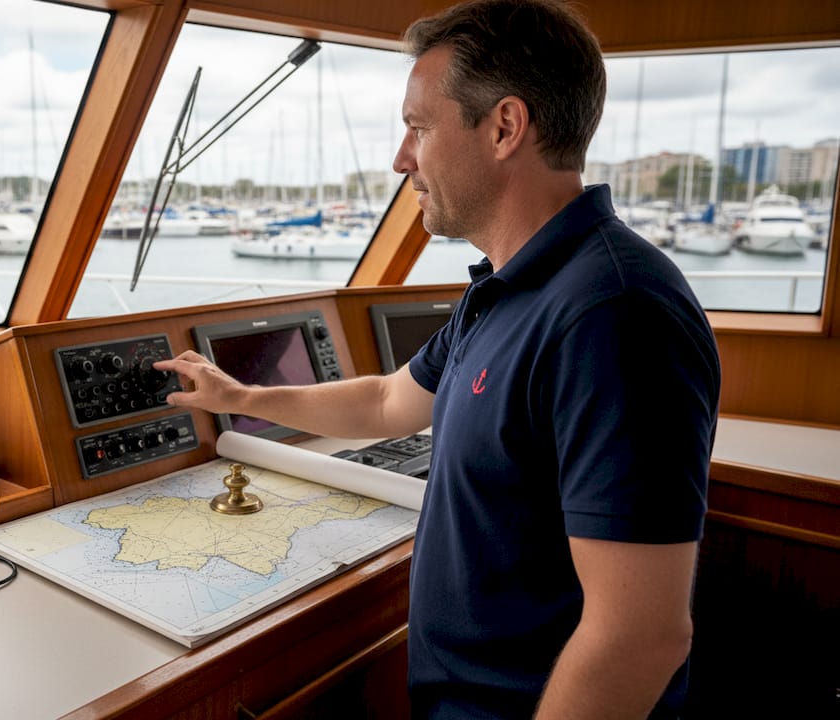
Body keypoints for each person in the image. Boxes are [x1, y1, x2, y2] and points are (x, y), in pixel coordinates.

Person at [154, 0, 721, 717]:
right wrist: (242, 397)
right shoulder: (509, 287)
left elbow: (640, 637)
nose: (401, 158)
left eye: (418, 127)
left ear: (505, 128)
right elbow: (389, 400)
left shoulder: (614, 316)